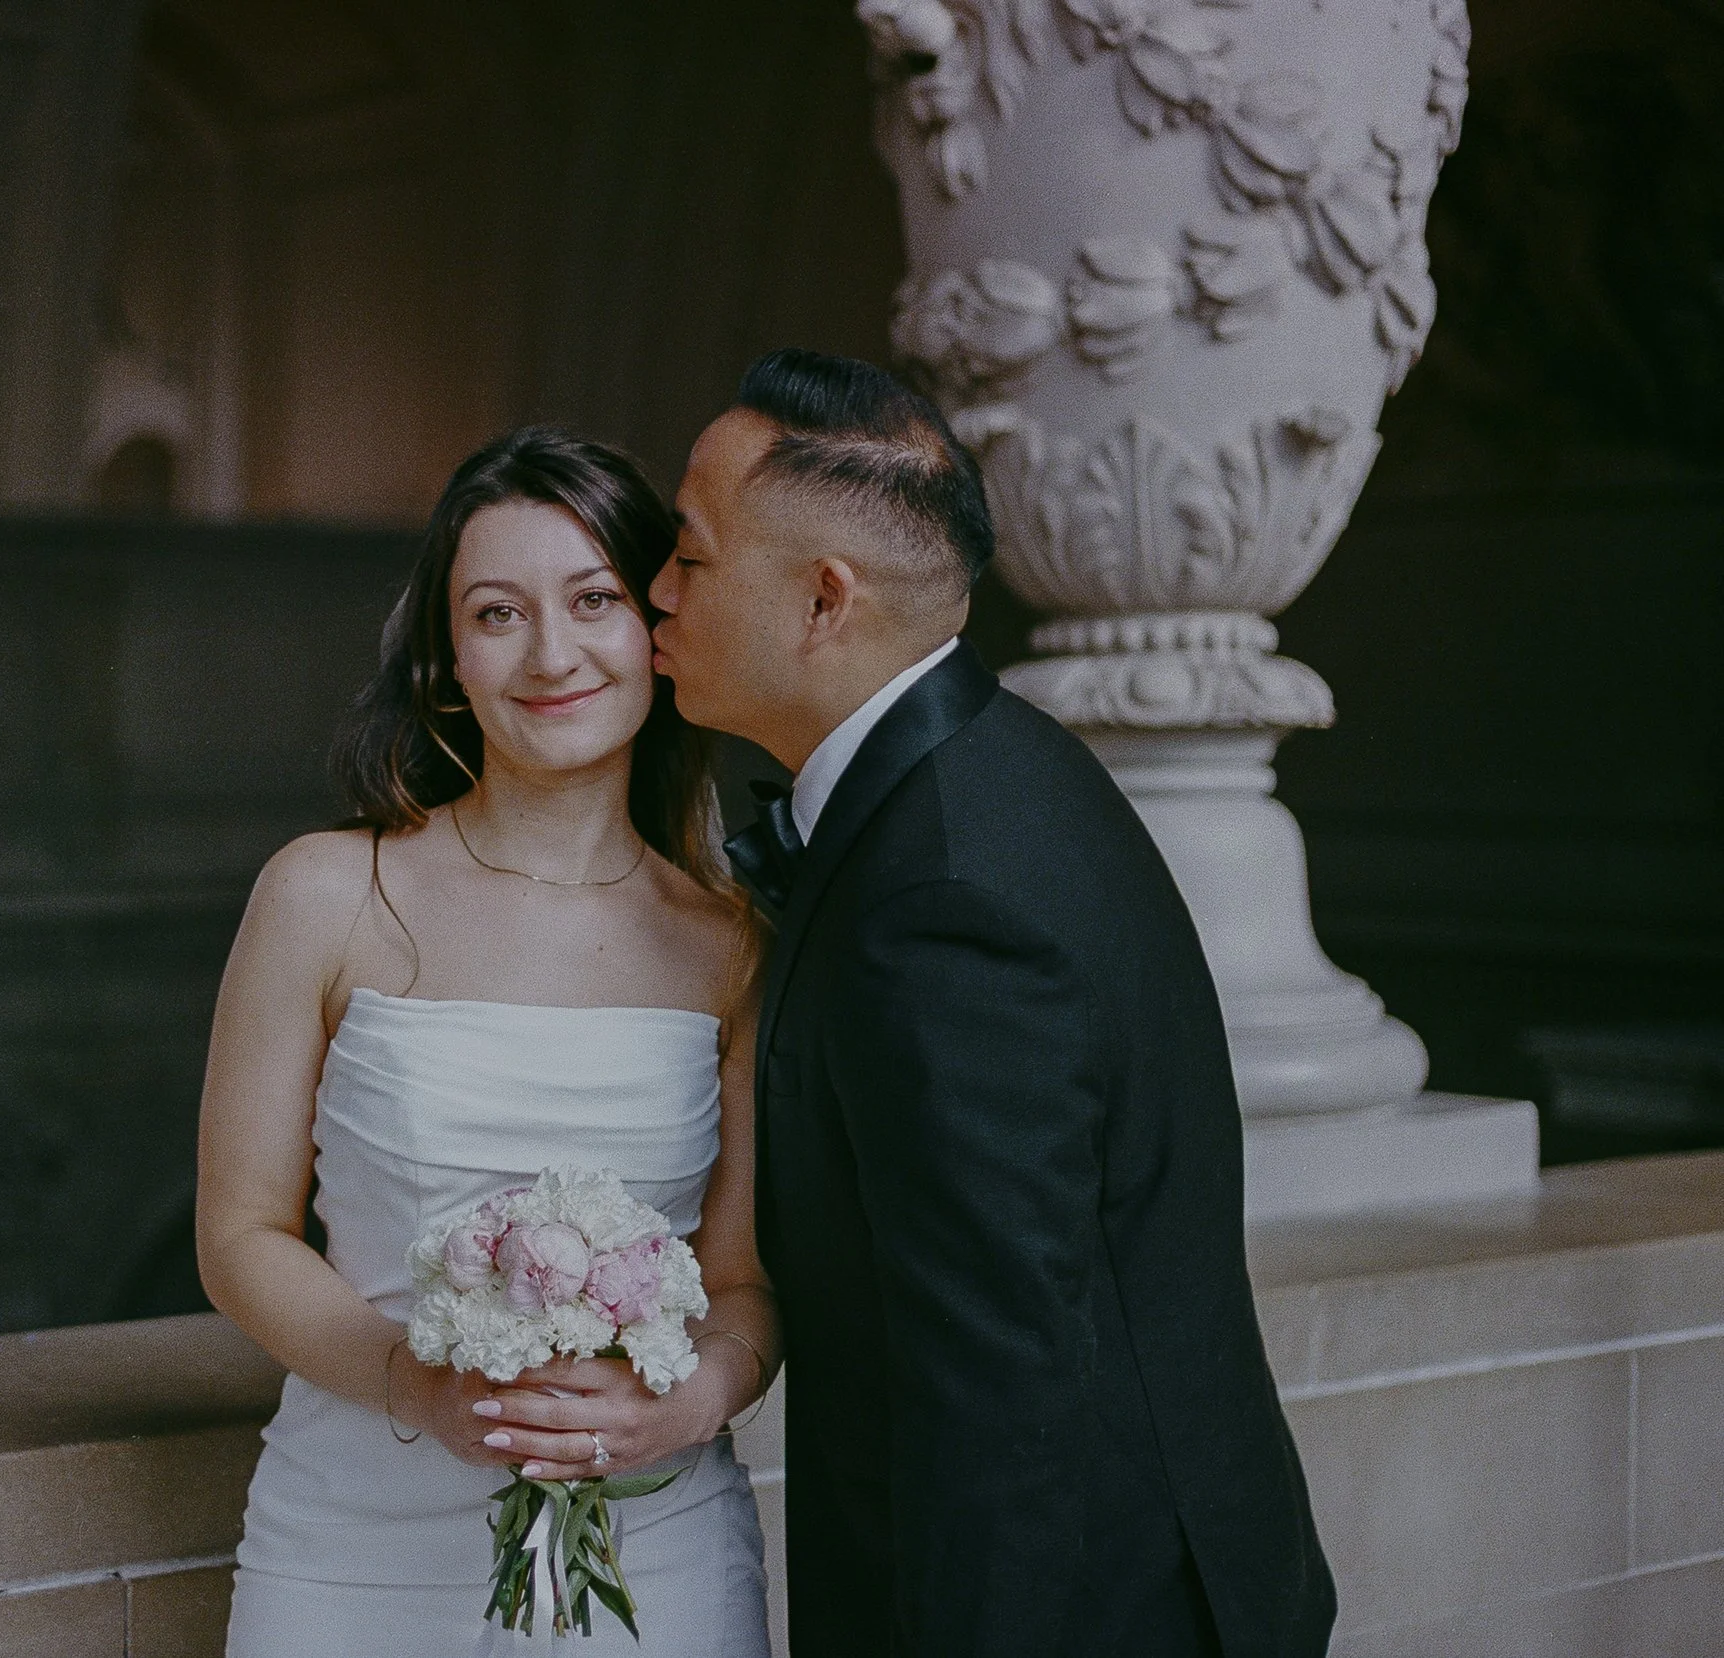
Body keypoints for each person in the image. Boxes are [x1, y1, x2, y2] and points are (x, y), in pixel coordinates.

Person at [645, 348, 1335, 1658]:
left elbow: (995, 1382)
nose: (656, 592)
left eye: (688, 556)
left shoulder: (945, 888)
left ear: (822, 599)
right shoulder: (978, 780)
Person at [198, 427, 777, 1656]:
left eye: (594, 601)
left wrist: (685, 1403)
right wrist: (414, 1378)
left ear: (655, 632)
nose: (551, 653)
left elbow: (744, 1285)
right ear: (448, 655)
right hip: (349, 1547)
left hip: (649, 1544)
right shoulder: (326, 894)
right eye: (498, 612)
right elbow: (240, 1233)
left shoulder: (730, 944)